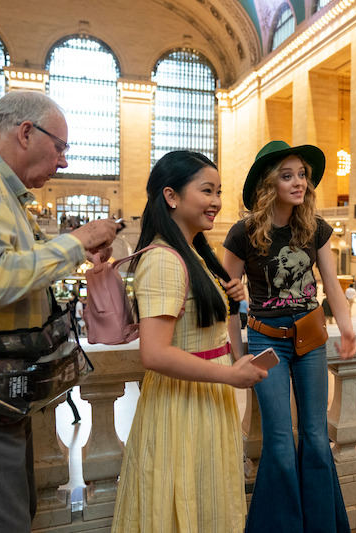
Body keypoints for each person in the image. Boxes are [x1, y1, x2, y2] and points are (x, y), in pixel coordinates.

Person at [0, 90, 119, 531]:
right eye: (61, 147)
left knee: (10, 512)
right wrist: (76, 241)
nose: (64, 163)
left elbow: (16, 268)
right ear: (26, 132)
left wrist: (74, 251)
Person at [111, 151, 267, 533]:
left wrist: (232, 298)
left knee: (203, 500)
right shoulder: (164, 259)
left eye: (219, 192)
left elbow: (206, 328)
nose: (216, 201)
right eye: (207, 190)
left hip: (203, 399)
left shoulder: (193, 253)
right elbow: (155, 353)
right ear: (171, 196)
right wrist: (230, 376)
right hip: (181, 405)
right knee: (182, 501)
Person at [223, 140, 356, 533]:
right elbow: (229, 300)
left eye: (302, 175)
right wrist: (237, 354)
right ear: (269, 184)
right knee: (279, 443)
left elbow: (330, 282)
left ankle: (321, 526)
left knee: (316, 437)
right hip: (266, 341)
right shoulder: (243, 233)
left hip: (311, 337)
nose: (299, 182)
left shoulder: (314, 228)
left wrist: (346, 326)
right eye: (287, 176)